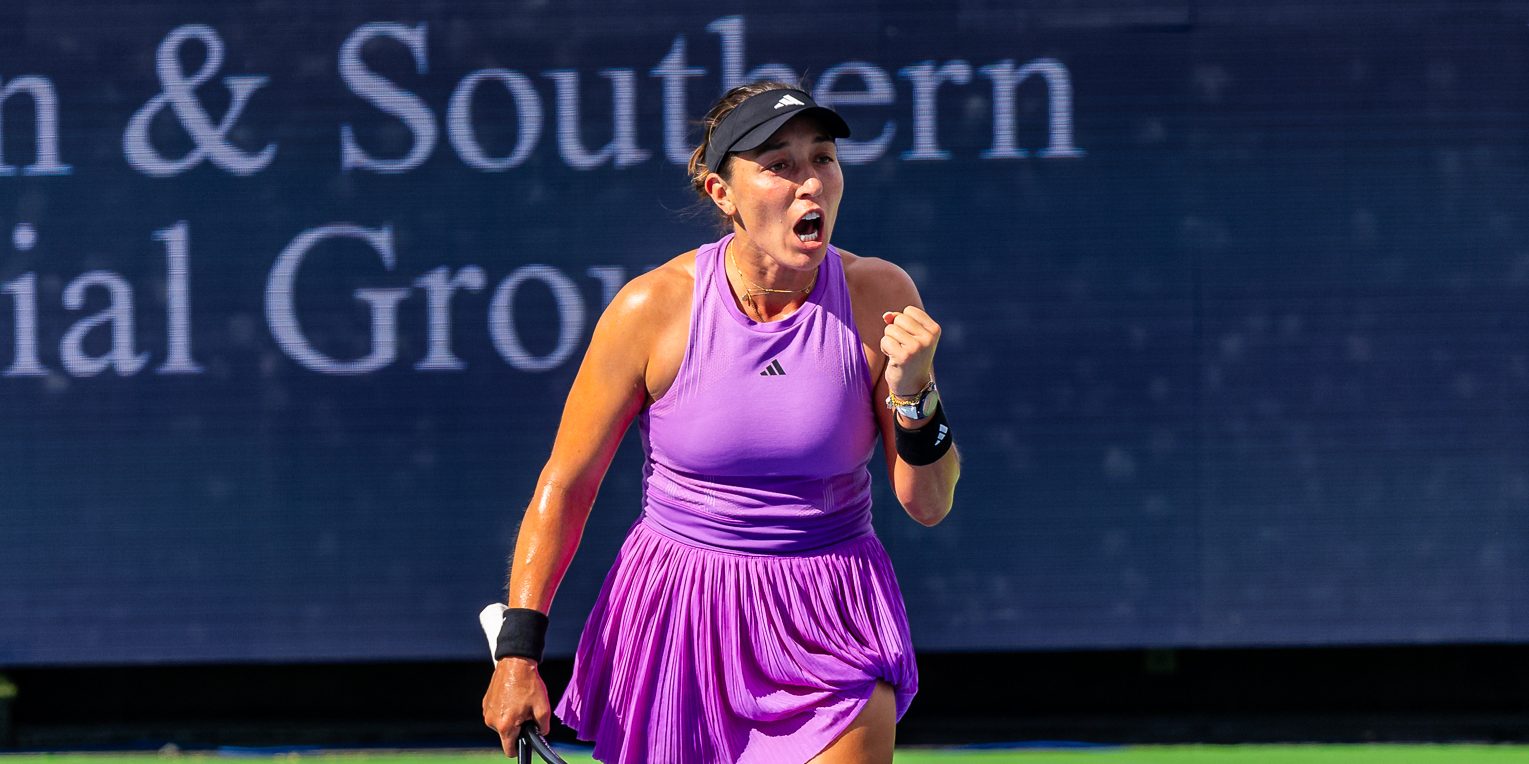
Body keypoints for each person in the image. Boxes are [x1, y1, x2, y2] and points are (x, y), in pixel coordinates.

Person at [481, 81, 961, 764]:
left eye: (821, 158)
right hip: (676, 616)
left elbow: (929, 503)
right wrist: (517, 656)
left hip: (832, 613)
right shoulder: (651, 309)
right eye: (778, 164)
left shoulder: (879, 295)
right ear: (720, 193)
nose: (810, 184)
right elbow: (566, 486)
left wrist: (915, 393)